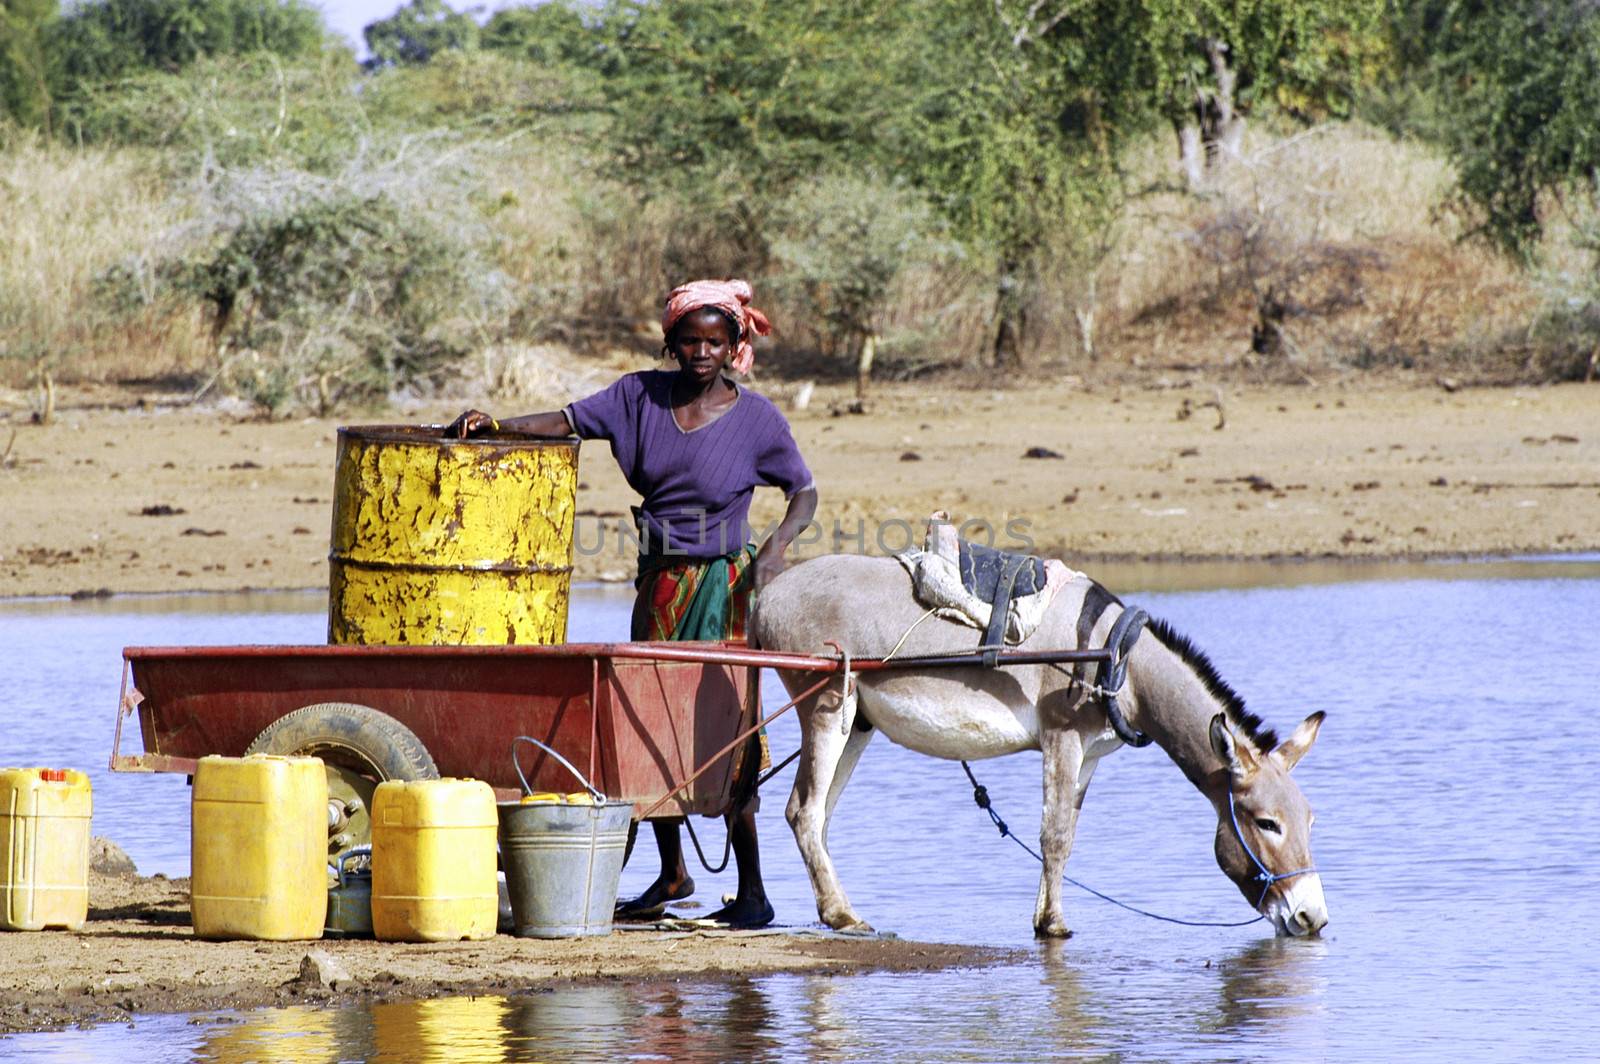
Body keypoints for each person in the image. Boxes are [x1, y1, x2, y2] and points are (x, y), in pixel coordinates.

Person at [448, 278, 817, 928]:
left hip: (723, 593)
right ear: (671, 342)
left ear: (736, 346)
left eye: (715, 341)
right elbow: (566, 423)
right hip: (659, 588)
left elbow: (803, 491)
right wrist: (497, 426)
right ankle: (672, 874)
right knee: (645, 724)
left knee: (725, 733)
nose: (702, 352)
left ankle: (753, 891)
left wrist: (777, 549)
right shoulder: (635, 397)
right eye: (690, 340)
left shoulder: (757, 419)